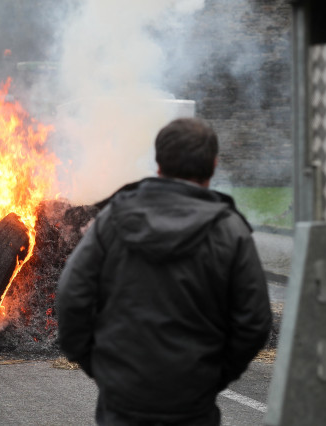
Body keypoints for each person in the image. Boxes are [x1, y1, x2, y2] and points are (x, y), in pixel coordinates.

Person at [56, 117, 272, 425]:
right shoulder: (230, 230)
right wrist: (213, 376)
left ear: (158, 165)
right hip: (193, 403)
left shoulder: (112, 220)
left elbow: (71, 298)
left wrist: (101, 367)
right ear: (213, 165)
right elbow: (254, 321)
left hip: (122, 399)